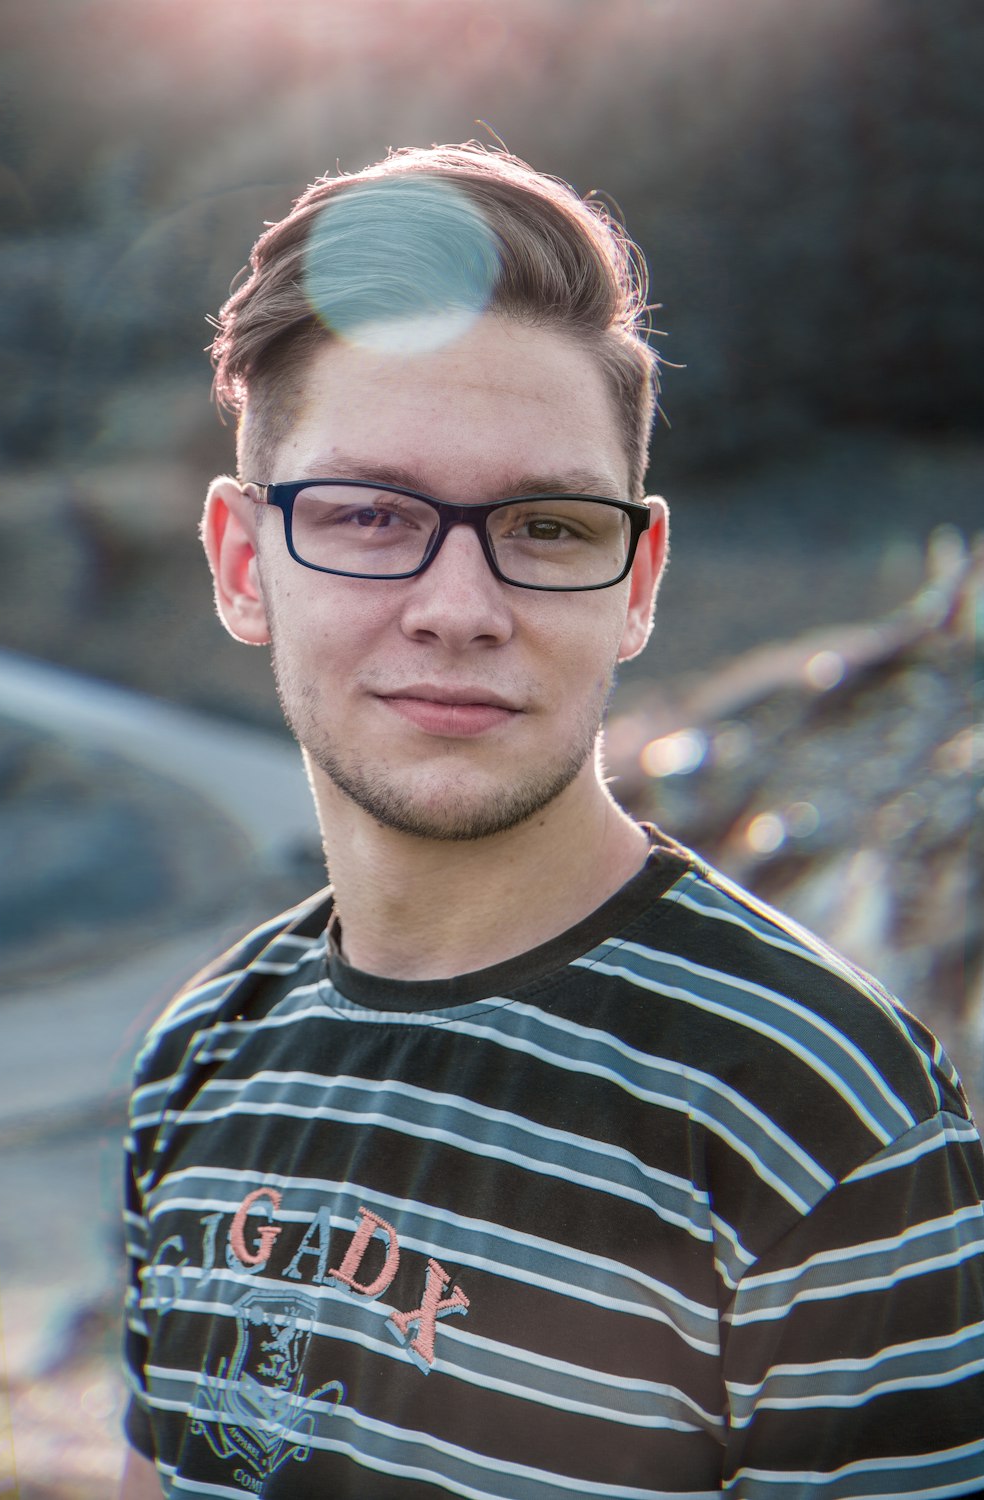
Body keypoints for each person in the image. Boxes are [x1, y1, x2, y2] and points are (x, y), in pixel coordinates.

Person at [119, 144, 984, 1499]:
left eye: (549, 526)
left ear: (634, 581)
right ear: (242, 562)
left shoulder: (816, 1110)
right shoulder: (200, 1056)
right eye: (365, 512)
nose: (460, 605)